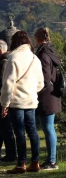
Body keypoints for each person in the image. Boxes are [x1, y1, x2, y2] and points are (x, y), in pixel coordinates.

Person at [0, 31, 44, 174]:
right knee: (33, 132)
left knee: (19, 132)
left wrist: (4, 103)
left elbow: (8, 83)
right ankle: (35, 162)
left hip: (17, 101)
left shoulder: (13, 58)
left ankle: (21, 164)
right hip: (30, 101)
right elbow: (41, 84)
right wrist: (30, 91)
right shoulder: (34, 59)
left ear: (14, 42)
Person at [34, 27, 62, 170]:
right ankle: (52, 159)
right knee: (49, 127)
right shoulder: (50, 51)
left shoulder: (43, 54)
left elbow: (45, 77)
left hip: (46, 95)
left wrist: (35, 89)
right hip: (52, 94)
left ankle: (51, 161)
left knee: (48, 128)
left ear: (37, 38)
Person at [0, 40, 17, 162]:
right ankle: (10, 154)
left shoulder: (3, 62)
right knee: (5, 128)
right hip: (3, 99)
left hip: (2, 100)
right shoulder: (9, 60)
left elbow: (2, 82)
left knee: (5, 128)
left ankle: (11, 154)